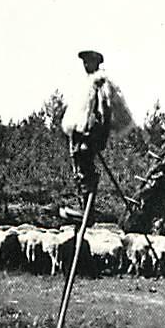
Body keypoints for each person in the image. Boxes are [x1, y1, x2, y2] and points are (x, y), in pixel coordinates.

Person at [59, 50, 112, 222]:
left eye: (89, 61)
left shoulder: (100, 83)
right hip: (78, 133)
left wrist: (96, 136)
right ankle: (83, 207)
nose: (86, 65)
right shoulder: (86, 83)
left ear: (96, 63)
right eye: (84, 62)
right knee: (78, 169)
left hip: (88, 135)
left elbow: (104, 112)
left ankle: (87, 210)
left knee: (85, 170)